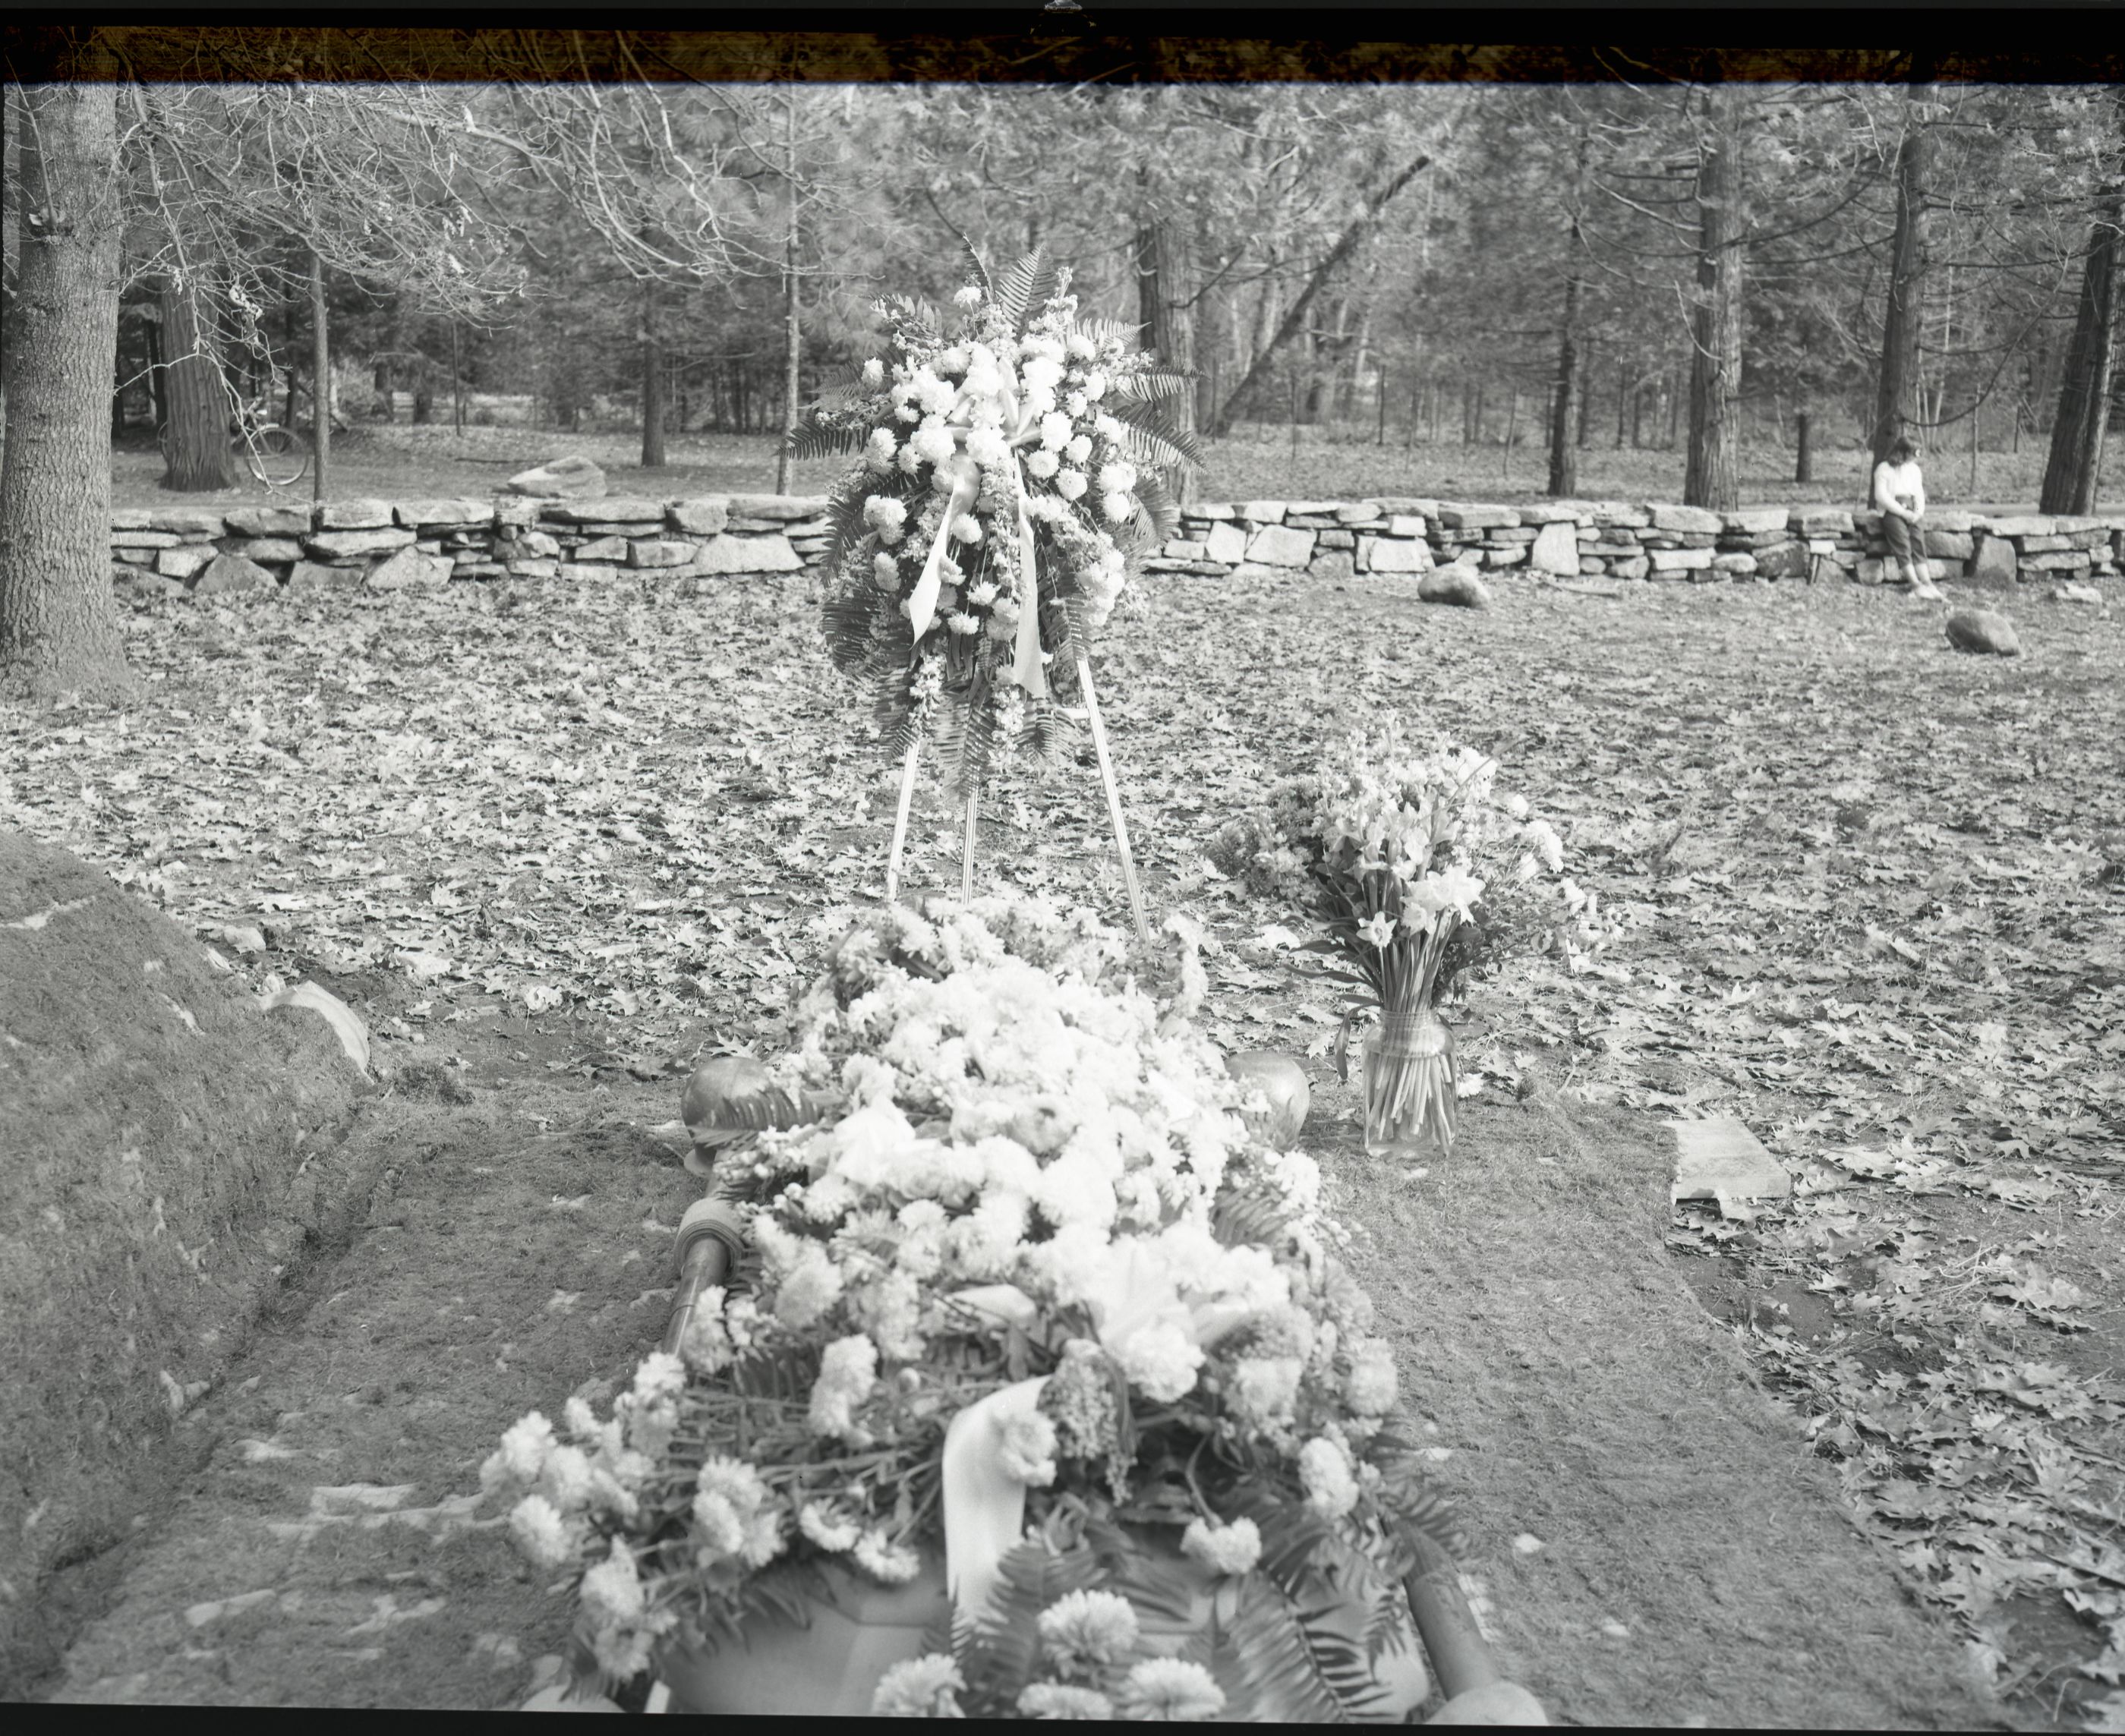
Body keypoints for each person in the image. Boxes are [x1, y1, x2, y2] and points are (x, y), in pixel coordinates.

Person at [1872, 434, 1942, 600]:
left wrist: (1918, 513)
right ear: (1902, 452)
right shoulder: (1884, 468)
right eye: (1913, 453)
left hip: (1912, 511)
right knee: (1903, 544)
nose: (1915, 458)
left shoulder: (1914, 470)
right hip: (1892, 511)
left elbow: (1918, 494)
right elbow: (1881, 496)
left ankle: (1927, 583)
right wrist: (1902, 513)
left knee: (1918, 542)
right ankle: (1916, 585)